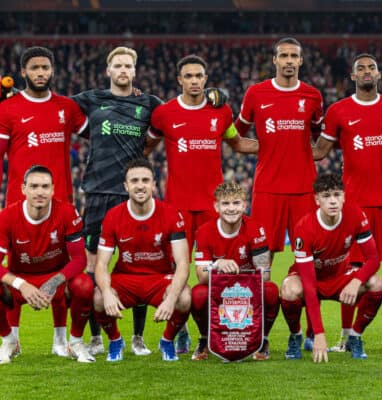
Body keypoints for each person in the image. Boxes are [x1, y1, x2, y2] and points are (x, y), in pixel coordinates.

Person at [145, 54, 257, 354]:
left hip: (213, 209)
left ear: (205, 79)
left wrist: (281, 144)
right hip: (177, 206)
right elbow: (145, 147)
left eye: (199, 76)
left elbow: (237, 143)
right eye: (188, 76)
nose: (194, 81)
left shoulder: (220, 112)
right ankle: (178, 330)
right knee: (175, 272)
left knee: (212, 276)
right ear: (179, 80)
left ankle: (213, 336)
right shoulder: (164, 114)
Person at [0, 46, 88, 351]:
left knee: (60, 267)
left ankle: (60, 338)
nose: (41, 73)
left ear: (53, 71)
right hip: (19, 205)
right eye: (34, 68)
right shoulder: (7, 109)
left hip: (62, 204)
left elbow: (97, 132)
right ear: (23, 72)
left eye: (45, 68)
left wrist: (124, 101)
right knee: (18, 265)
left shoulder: (67, 108)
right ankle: (13, 338)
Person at [312, 53, 382, 351]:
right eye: (361, 68)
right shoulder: (338, 111)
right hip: (354, 205)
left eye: (372, 67)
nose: (367, 72)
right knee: (352, 271)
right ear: (353, 76)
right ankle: (346, 336)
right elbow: (320, 151)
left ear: (379, 74)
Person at [71, 46, 163, 357]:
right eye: (118, 65)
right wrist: (11, 92)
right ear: (109, 70)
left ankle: (137, 337)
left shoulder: (148, 103)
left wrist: (214, 96)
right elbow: (51, 106)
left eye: (128, 66)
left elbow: (177, 112)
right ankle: (97, 337)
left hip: (133, 194)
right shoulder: (91, 98)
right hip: (98, 192)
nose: (123, 70)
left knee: (136, 264)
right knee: (92, 266)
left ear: (135, 71)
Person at [0, 165, 94, 364]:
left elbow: (80, 260)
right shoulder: (7, 216)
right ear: (23, 189)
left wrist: (54, 282)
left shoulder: (66, 212)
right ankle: (9, 340)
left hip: (56, 281)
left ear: (53, 189)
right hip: (22, 282)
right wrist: (21, 285)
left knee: (85, 285)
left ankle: (74, 342)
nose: (40, 192)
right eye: (34, 186)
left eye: (45, 187)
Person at [93, 158, 191, 362]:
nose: (140, 185)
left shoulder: (172, 214)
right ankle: (115, 340)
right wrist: (107, 293)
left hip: (160, 278)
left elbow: (183, 263)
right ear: (126, 186)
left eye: (145, 180)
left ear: (154, 184)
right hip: (126, 278)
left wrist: (171, 299)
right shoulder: (113, 216)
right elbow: (101, 264)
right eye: (134, 180)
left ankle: (167, 341)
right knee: (98, 298)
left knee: (184, 298)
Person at [280, 173, 382, 362]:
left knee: (377, 283)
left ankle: (355, 336)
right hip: (311, 280)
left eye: (337, 195)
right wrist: (319, 334)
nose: (333, 201)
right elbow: (310, 287)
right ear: (317, 200)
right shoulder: (304, 228)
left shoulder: (355, 215)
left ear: (344, 196)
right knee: (289, 289)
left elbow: (373, 259)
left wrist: (356, 281)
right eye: (326, 196)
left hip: (340, 277)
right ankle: (296, 335)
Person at [234, 37, 323, 257]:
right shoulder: (256, 93)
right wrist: (265, 146)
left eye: (294, 56)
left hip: (304, 187)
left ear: (301, 61)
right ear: (275, 60)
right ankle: (263, 292)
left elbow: (320, 142)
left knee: (309, 253)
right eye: (284, 55)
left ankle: (306, 292)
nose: (289, 60)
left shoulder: (313, 96)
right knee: (262, 253)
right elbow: (235, 137)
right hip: (267, 187)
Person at [190, 182, 279, 361]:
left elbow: (265, 274)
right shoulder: (204, 232)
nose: (231, 209)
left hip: (247, 290)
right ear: (216, 206)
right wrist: (217, 265)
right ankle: (205, 339)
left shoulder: (256, 229)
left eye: (236, 203)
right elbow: (201, 276)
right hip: (219, 290)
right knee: (198, 294)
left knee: (271, 291)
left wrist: (240, 276)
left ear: (244, 206)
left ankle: (263, 340)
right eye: (226, 204)